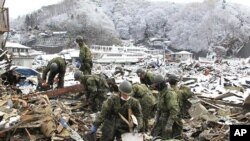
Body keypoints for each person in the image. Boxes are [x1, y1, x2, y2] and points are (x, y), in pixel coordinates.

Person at [151, 74, 181, 140]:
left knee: (167, 137)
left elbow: (174, 110)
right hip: (161, 118)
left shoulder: (169, 93)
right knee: (154, 135)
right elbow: (159, 108)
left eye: (156, 85)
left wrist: (169, 125)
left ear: (160, 84)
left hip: (170, 119)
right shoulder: (161, 92)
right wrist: (156, 120)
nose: (155, 87)